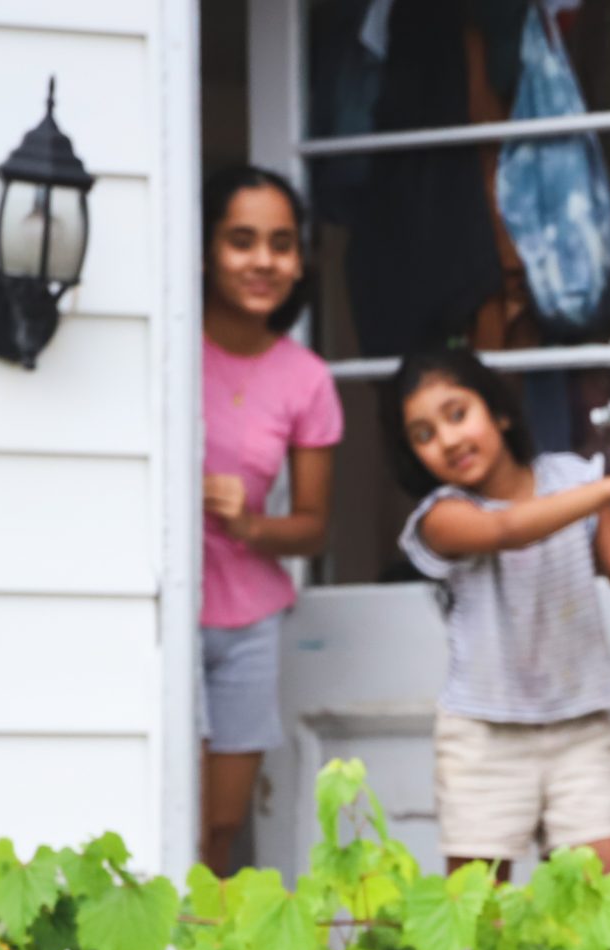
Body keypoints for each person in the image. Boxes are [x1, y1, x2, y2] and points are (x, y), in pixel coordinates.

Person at [383, 346, 610, 873]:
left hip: (582, 721)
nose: (447, 440)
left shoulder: (572, 477)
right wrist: (607, 486)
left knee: (598, 901)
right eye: (423, 434)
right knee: (478, 917)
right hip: (483, 734)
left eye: (457, 414)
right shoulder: (441, 516)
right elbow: (506, 530)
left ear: (500, 411)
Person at [199, 164, 343, 874]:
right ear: (206, 250)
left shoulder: (306, 376)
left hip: (248, 620)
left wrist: (250, 523)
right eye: (242, 240)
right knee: (172, 809)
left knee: (221, 825)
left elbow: (314, 526)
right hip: (167, 611)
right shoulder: (169, 347)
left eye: (281, 244)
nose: (263, 261)